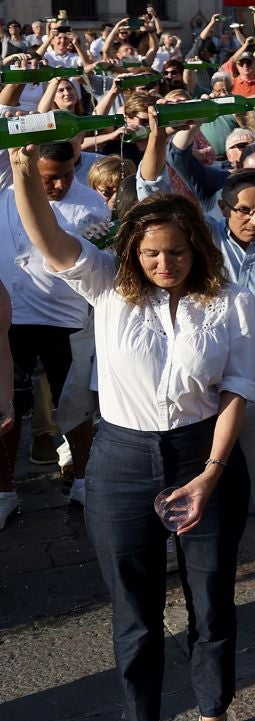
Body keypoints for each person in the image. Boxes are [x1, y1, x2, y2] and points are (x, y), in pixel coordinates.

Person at [13, 151, 255, 721]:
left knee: (212, 602)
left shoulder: (228, 303)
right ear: (132, 254)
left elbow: (237, 393)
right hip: (121, 460)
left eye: (175, 251)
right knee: (135, 611)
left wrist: (210, 474)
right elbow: (48, 238)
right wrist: (23, 172)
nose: (163, 263)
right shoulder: (109, 289)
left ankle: (212, 717)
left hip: (206, 453)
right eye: (150, 253)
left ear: (196, 246)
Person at [0, 140, 112, 523]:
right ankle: (4, 489)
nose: (59, 185)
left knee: (76, 405)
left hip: (67, 321)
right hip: (11, 319)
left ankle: (82, 480)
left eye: (66, 176)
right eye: (50, 178)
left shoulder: (91, 205)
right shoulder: (5, 186)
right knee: (6, 407)